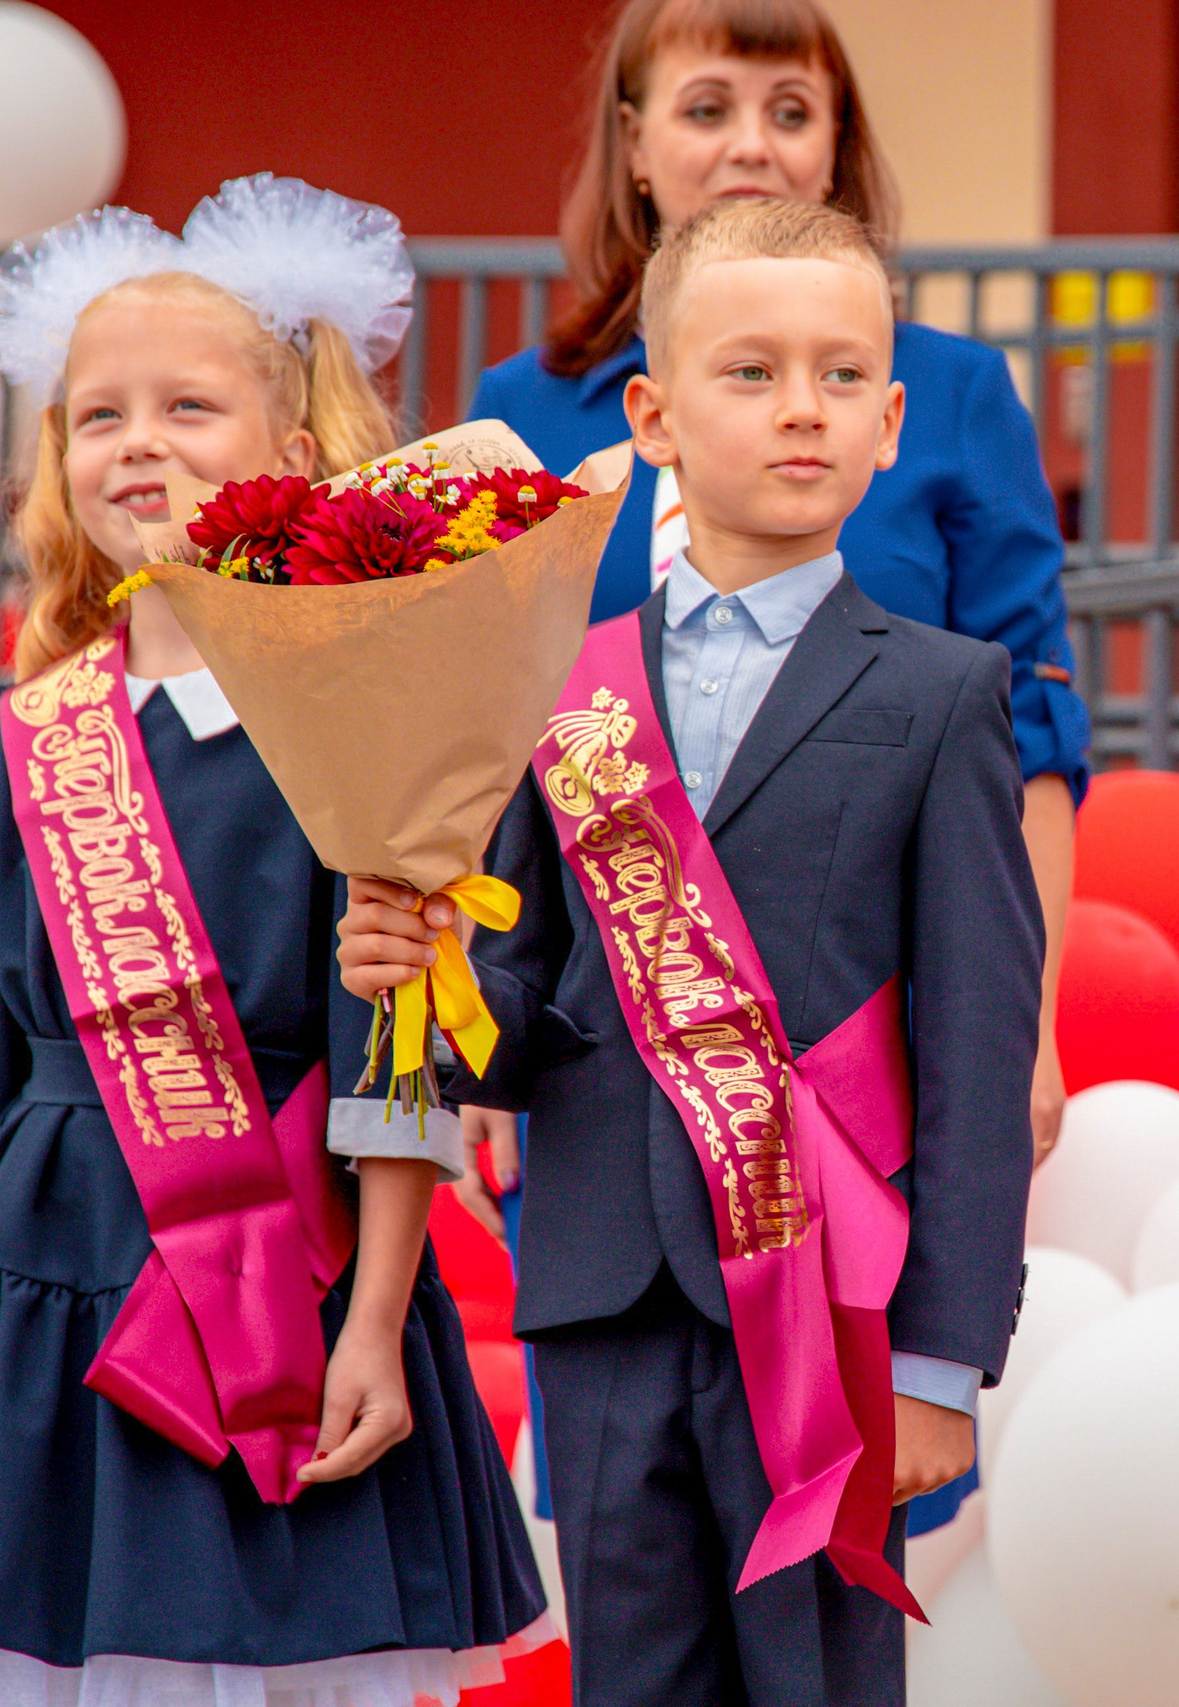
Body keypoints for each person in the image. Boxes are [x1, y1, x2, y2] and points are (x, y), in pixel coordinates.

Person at [338, 197, 1040, 1707]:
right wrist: (435, 974)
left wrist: (939, 1357)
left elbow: (979, 1048)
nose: (804, 406)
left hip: (833, 1299)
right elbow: (526, 1023)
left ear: (894, 419)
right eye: (752, 371)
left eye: (843, 375)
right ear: (649, 413)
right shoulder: (557, 683)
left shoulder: (947, 691)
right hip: (602, 1291)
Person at [0, 178, 545, 1705]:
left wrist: (374, 1319)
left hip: (285, 1292)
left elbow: (396, 1053)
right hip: (40, 1293)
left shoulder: (359, 723)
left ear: (294, 454)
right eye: (100, 415)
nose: (142, 441)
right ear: (61, 464)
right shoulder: (20, 734)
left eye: (189, 404)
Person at [460, 0, 1083, 1195]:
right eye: (708, 109)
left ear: (834, 145)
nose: (752, 144)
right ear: (634, 146)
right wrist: (486, 1023)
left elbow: (1031, 748)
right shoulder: (525, 411)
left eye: (789, 112)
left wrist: (1030, 1024)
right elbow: (486, 741)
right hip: (590, 1043)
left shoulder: (940, 394)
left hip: (863, 1040)